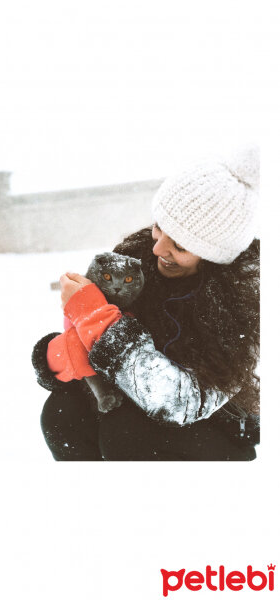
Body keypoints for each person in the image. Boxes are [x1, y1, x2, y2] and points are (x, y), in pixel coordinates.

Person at [32, 145, 260, 461]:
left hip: (215, 430)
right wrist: (61, 354)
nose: (157, 249)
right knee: (63, 413)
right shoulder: (139, 253)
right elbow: (89, 333)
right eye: (159, 227)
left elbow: (180, 402)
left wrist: (97, 319)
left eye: (179, 244)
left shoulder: (246, 301)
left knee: (127, 432)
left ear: (215, 255)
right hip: (135, 399)